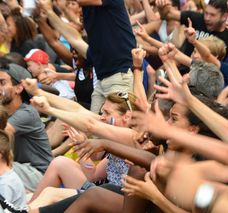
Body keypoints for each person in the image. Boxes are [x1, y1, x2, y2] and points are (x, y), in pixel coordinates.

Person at [38, 0, 136, 113]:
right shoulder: (88, 9)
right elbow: (74, 39)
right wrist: (49, 12)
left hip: (120, 76)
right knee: (92, 127)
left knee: (117, 126)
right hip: (102, 81)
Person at [0, 63, 52, 192]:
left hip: (40, 175)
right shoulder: (4, 112)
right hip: (20, 169)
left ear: (18, 88)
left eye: (2, 83)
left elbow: (4, 132)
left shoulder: (27, 113)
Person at [157, 0, 228, 61]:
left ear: (224, 16)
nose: (207, 18)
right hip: (182, 68)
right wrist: (161, 7)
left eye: (212, 15)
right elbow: (167, 15)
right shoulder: (197, 18)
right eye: (206, 13)